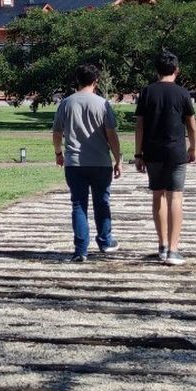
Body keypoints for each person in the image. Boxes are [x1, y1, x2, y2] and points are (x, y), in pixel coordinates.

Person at [53, 63, 123, 263]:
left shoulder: (66, 103)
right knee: (102, 201)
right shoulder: (102, 104)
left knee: (78, 204)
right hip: (100, 161)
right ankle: (105, 239)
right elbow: (112, 135)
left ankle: (80, 249)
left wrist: (58, 152)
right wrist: (118, 159)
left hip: (74, 162)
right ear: (96, 81)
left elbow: (57, 133)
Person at [134, 50, 196, 266]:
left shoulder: (147, 92)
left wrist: (138, 153)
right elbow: (191, 124)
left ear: (156, 70)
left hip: (152, 151)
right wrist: (193, 148)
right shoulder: (182, 93)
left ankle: (161, 245)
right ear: (177, 70)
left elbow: (139, 125)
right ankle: (173, 248)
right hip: (175, 151)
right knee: (175, 197)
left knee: (158, 196)